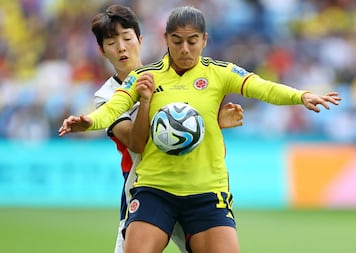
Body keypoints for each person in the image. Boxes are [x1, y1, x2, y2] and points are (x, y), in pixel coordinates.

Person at [59, 6, 341, 253]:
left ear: (205, 40)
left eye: (192, 41)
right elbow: (117, 116)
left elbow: (262, 88)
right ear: (166, 39)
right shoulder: (143, 78)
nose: (184, 49)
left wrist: (300, 96)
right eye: (177, 41)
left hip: (206, 191)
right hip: (154, 188)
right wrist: (89, 121)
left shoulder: (220, 72)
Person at [88, 4, 244, 253]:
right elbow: (137, 143)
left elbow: (190, 130)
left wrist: (213, 122)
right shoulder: (107, 95)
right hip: (145, 188)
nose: (121, 48)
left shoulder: (166, 75)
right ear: (101, 50)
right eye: (111, 43)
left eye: (127, 39)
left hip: (190, 184)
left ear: (140, 39)